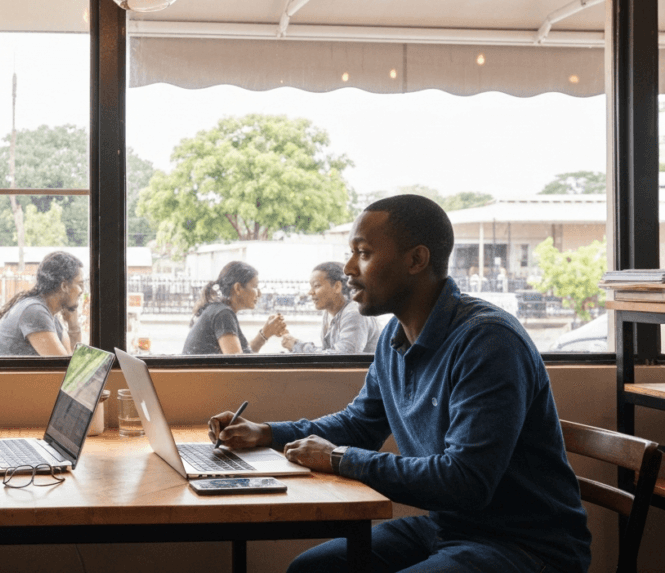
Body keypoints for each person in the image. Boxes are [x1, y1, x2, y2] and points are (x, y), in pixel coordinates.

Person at [208, 195, 590, 573]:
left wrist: (339, 458)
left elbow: (466, 482)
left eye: (364, 253)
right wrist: (264, 433)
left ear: (416, 260)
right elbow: (359, 425)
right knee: (310, 569)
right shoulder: (396, 336)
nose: (347, 268)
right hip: (449, 526)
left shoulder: (489, 342)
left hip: (527, 545)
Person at [0, 250, 83, 356]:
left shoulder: (50, 316)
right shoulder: (35, 311)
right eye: (79, 284)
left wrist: (73, 326)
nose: (82, 290)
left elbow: (71, 360)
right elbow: (65, 367)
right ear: (64, 286)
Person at [182, 261, 286, 355]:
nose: (259, 293)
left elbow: (241, 356)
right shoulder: (223, 314)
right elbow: (237, 365)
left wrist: (265, 333)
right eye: (254, 286)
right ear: (238, 288)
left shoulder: (219, 310)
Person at [280, 261, 382, 354]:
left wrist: (297, 346)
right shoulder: (328, 313)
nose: (310, 292)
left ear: (337, 287)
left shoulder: (354, 313)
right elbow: (328, 352)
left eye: (316, 286)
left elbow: (342, 357)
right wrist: (295, 345)